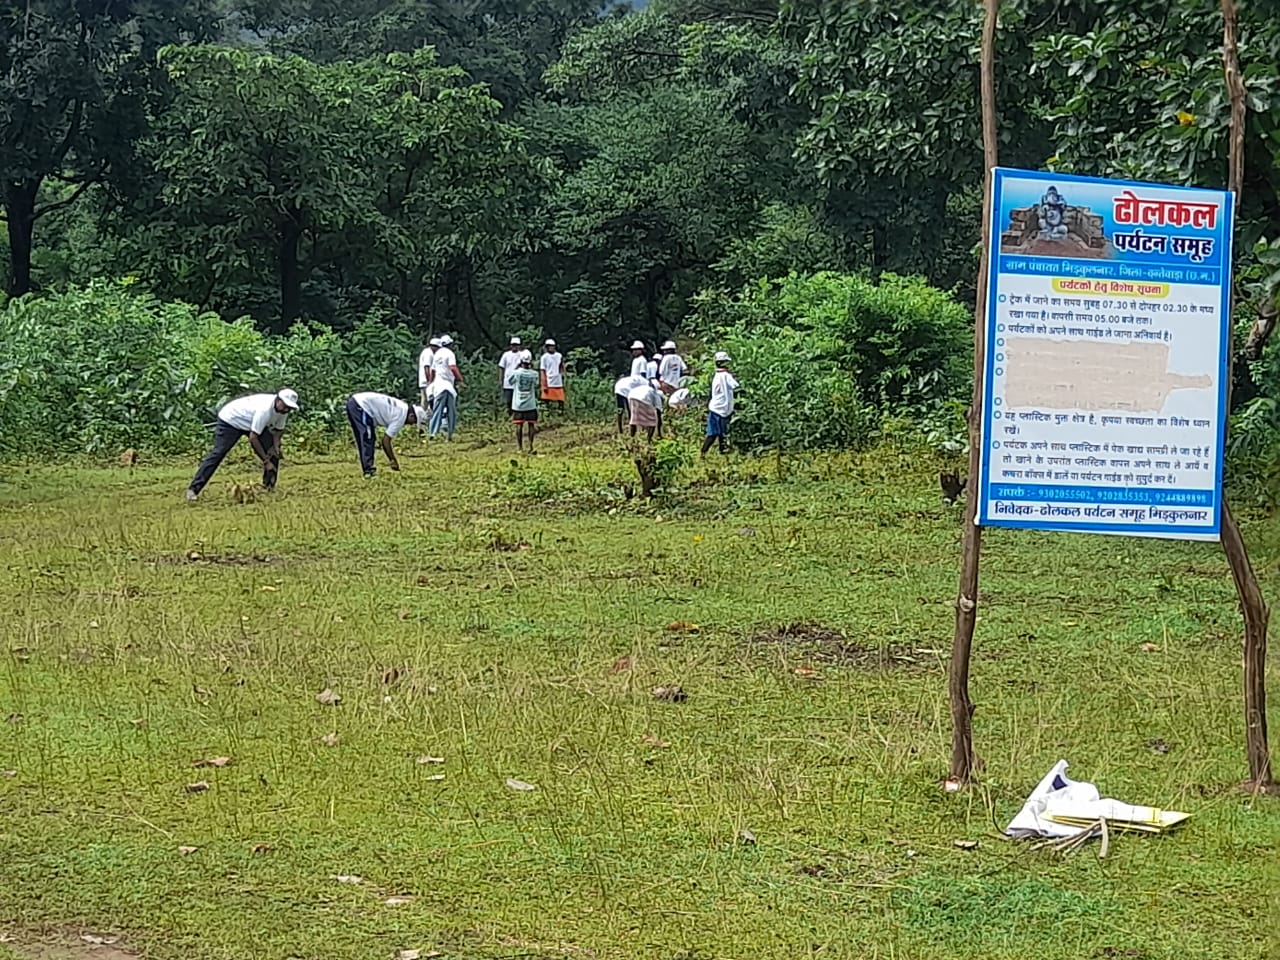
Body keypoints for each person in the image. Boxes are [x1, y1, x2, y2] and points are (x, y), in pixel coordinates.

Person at [185, 389, 299, 501]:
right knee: (219, 452)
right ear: (278, 400)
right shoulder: (264, 410)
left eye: (289, 408)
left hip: (251, 422)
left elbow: (278, 430)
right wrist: (266, 461)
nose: (286, 409)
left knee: (272, 451)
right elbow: (253, 438)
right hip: (231, 420)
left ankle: (269, 487)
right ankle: (193, 489)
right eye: (285, 406)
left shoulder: (283, 410)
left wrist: (276, 446)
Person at [346, 391, 427, 477]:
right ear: (411, 416)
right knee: (367, 437)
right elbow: (385, 441)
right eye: (413, 422)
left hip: (356, 402)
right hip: (361, 405)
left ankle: (367, 468)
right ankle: (368, 470)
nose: (411, 424)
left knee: (365, 437)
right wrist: (393, 460)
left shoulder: (402, 406)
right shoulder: (401, 417)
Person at [702, 351, 739, 457]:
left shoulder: (717, 376)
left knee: (719, 434)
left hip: (717, 408)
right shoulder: (726, 376)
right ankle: (703, 453)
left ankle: (720, 453)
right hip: (721, 409)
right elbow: (736, 386)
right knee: (715, 434)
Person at [428, 335, 463, 439]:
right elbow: (453, 367)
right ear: (450, 344)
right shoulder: (450, 353)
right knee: (451, 411)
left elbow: (432, 371)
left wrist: (431, 382)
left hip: (438, 387)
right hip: (448, 386)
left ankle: (433, 433)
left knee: (437, 410)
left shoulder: (437, 354)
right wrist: (460, 379)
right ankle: (450, 434)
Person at [511, 351, 540, 453]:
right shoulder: (534, 374)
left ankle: (520, 448)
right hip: (530, 403)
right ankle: (531, 446)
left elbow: (510, 381)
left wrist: (516, 367)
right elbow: (536, 385)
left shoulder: (517, 373)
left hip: (518, 405)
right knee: (531, 425)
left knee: (519, 425)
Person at [628, 375, 663, 442]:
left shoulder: (643, 387)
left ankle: (632, 437)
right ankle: (649, 440)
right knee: (652, 421)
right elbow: (658, 410)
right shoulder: (654, 392)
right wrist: (659, 429)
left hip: (631, 396)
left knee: (634, 419)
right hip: (643, 398)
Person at [498, 336, 524, 411]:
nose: (514, 346)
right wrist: (500, 380)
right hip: (508, 382)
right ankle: (509, 414)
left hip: (519, 382)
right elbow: (501, 367)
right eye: (513, 345)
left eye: (516, 345)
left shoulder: (522, 355)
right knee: (508, 400)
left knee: (518, 400)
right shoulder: (506, 355)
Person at [539, 339, 566, 410]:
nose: (551, 348)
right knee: (546, 399)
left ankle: (560, 412)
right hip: (549, 381)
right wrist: (543, 384)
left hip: (558, 381)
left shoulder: (559, 355)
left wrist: (563, 375)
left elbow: (561, 367)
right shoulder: (544, 357)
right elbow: (542, 370)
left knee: (560, 399)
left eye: (552, 346)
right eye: (549, 346)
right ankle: (547, 412)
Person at [418, 337, 439, 412]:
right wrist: (429, 381)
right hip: (426, 381)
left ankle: (425, 417)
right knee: (426, 401)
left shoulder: (427, 352)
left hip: (426, 381)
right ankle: (423, 417)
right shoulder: (428, 354)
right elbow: (427, 367)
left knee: (426, 400)